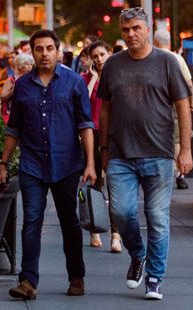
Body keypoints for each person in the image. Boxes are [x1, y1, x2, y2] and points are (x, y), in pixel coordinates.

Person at [96, 7, 192, 301]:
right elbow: (106, 110)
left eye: (136, 28)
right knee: (121, 212)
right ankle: (138, 255)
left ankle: (154, 277)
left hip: (159, 153)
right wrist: (103, 150)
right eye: (126, 30)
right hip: (121, 155)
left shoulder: (166, 62)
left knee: (157, 218)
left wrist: (186, 149)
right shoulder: (113, 64)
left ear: (148, 29)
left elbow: (182, 105)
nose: (131, 35)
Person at [0, 30, 96, 300]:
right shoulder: (23, 86)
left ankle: (76, 276)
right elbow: (14, 128)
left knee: (70, 222)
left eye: (49, 48)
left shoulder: (74, 82)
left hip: (66, 163)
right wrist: (4, 163)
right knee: (31, 221)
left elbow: (85, 125)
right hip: (32, 164)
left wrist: (90, 163)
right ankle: (28, 281)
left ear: (58, 51)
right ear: (32, 52)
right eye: (39, 49)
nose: (44, 53)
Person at [82, 40, 122, 253]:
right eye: (95, 56)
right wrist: (95, 78)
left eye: (102, 55)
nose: (99, 59)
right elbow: (83, 101)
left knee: (115, 185)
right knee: (95, 184)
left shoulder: (118, 75)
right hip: (93, 136)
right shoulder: (86, 79)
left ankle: (116, 235)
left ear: (109, 54)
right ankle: (94, 229)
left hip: (115, 135)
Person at [153, 30, 193, 190]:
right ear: (169, 42)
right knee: (177, 139)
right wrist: (191, 103)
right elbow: (189, 84)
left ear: (155, 42)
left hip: (158, 106)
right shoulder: (177, 59)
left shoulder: (153, 57)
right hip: (177, 105)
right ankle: (179, 174)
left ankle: (164, 174)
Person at [0, 52, 34, 124]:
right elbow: (2, 97)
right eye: (27, 64)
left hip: (27, 115)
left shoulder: (32, 79)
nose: (30, 67)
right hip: (11, 114)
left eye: (31, 64)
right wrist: (14, 90)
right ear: (20, 65)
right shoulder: (12, 79)